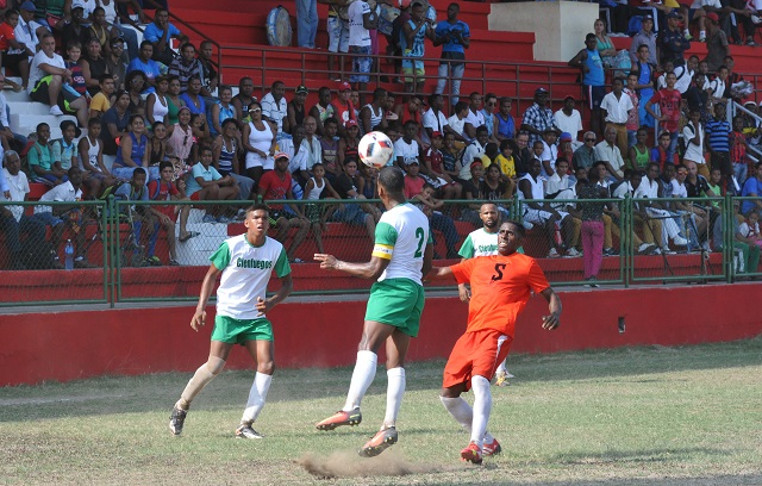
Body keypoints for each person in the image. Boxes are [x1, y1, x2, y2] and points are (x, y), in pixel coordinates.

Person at [314, 166, 433, 457]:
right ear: (404, 187)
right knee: (396, 362)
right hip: (415, 290)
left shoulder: (388, 221)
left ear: (379, 190)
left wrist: (336, 263)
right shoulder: (420, 215)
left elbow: (372, 270)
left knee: (367, 345)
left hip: (392, 289)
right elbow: (428, 263)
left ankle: (350, 408)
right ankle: (388, 426)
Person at [426, 220, 561, 464]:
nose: (504, 236)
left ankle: (475, 445)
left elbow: (551, 295)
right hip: (471, 333)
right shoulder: (478, 262)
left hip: (497, 330)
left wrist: (555, 313)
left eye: (511, 233)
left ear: (520, 241)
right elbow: (436, 273)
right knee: (448, 395)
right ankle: (487, 440)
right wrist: (422, 251)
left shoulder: (527, 264)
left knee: (480, 382)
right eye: (502, 232)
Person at [168, 203, 293, 438]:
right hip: (228, 314)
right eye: (256, 218)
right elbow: (211, 275)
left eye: (265, 218)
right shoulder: (231, 246)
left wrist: (272, 302)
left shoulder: (276, 249)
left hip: (255, 318)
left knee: (267, 365)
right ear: (246, 223)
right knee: (214, 366)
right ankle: (181, 406)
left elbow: (287, 284)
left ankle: (246, 424)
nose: (261, 222)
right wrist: (200, 308)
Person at [257, 153, 311, 260]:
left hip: (280, 210)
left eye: (285, 161)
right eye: (280, 161)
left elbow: (290, 198)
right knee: (284, 223)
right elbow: (259, 197)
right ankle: (272, 254)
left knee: (305, 223)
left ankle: (289, 254)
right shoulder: (268, 176)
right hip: (268, 212)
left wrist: (300, 215)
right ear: (276, 163)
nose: (283, 163)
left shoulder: (288, 177)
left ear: (288, 163)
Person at [1, 150, 48, 270]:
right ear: (6, 164)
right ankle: (15, 261)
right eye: (11, 163)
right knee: (12, 224)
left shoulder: (22, 175)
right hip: (3, 215)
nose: (15, 164)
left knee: (39, 226)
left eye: (16, 161)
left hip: (19, 214)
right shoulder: (1, 175)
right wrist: (3, 209)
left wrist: (23, 208)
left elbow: (27, 193)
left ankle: (24, 252)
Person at [28, 33, 88, 124]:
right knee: (56, 76)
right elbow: (47, 68)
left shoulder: (59, 58)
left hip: (56, 89)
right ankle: (53, 106)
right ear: (41, 45)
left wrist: (67, 78)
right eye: (47, 44)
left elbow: (66, 79)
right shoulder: (39, 55)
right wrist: (64, 72)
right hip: (36, 90)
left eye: (52, 43)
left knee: (82, 102)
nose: (50, 47)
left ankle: (86, 131)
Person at [568, 34, 605, 136]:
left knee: (602, 113)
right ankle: (594, 137)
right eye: (590, 42)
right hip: (591, 85)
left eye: (594, 42)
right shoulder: (584, 53)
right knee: (595, 113)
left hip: (601, 85)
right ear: (586, 43)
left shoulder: (597, 52)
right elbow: (571, 62)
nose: (592, 43)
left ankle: (602, 137)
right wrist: (582, 65)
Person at [434, 2, 469, 107]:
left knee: (456, 86)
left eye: (452, 10)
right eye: (449, 9)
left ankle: (455, 111)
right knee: (441, 83)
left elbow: (467, 45)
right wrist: (443, 39)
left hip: (459, 56)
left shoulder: (464, 26)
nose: (449, 12)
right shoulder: (440, 25)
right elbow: (435, 43)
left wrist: (459, 38)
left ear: (457, 12)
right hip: (446, 54)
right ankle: (435, 106)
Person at [400, 0, 435, 94]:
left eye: (422, 12)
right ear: (412, 12)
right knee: (409, 84)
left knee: (421, 83)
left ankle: (417, 104)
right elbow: (409, 36)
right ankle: (406, 105)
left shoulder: (424, 25)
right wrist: (421, 24)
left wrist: (432, 28)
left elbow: (433, 39)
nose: (421, 14)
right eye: (418, 12)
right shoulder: (407, 24)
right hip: (408, 56)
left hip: (419, 57)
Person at [347, 0, 376, 102]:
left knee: (355, 74)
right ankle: (362, 105)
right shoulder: (365, 5)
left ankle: (349, 103)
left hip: (353, 41)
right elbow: (367, 25)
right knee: (363, 77)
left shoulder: (351, 5)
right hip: (363, 42)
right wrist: (375, 17)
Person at [600, 77, 634, 161]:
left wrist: (624, 118)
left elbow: (629, 110)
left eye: (619, 84)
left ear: (622, 86)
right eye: (615, 84)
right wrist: (604, 122)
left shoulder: (626, 97)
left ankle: (622, 167)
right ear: (612, 86)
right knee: (610, 146)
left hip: (622, 126)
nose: (616, 86)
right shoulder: (607, 97)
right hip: (611, 124)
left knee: (623, 148)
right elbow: (602, 111)